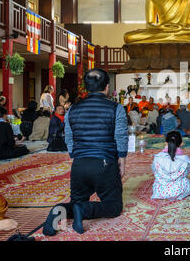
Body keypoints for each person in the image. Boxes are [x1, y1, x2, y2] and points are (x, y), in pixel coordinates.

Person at [42, 69, 128, 236]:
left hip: (79, 165)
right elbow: (121, 136)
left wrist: (76, 156)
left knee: (76, 201)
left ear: (87, 88)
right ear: (107, 87)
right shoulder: (115, 108)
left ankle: (59, 211)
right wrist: (122, 161)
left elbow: (69, 137)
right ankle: (84, 210)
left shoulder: (72, 109)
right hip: (104, 164)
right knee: (114, 206)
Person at [151, 131, 190, 200]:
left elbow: (154, 171)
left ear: (165, 143)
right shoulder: (184, 160)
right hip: (179, 190)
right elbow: (186, 173)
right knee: (187, 182)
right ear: (181, 144)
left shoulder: (158, 158)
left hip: (160, 190)